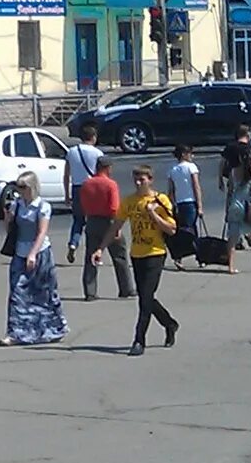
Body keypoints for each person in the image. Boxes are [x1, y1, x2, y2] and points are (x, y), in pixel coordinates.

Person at [1, 175, 68, 346]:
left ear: (31, 187)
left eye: (23, 187)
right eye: (18, 187)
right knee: (17, 293)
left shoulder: (42, 206)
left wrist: (33, 253)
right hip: (19, 252)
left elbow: (41, 232)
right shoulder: (17, 205)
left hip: (40, 253)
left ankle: (54, 328)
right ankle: (16, 333)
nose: (19, 190)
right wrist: (8, 217)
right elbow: (10, 230)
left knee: (45, 293)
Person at [120, 165, 179, 354]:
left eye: (142, 179)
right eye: (136, 179)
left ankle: (139, 341)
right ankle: (169, 323)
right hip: (137, 254)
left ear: (150, 180)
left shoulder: (160, 200)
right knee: (147, 297)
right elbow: (116, 225)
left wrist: (153, 213)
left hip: (156, 253)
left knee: (144, 299)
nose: (138, 183)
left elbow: (171, 229)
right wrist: (99, 248)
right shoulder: (129, 201)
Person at [75, 158, 131, 300]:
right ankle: (126, 288)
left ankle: (90, 291)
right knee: (119, 256)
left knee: (91, 257)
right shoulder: (110, 184)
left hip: (92, 221)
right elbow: (114, 207)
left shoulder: (86, 184)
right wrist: (116, 227)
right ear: (108, 168)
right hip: (108, 222)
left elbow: (82, 204)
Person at [63, 119, 109, 266]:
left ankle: (73, 243)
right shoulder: (98, 153)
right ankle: (96, 253)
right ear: (93, 137)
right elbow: (103, 175)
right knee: (94, 222)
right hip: (93, 189)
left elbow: (66, 174)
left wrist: (67, 194)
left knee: (78, 220)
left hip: (77, 188)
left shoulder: (72, 152)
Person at [219, 138, 251, 273]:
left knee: (232, 237)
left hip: (235, 204)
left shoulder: (233, 172)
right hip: (248, 206)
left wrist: (227, 208)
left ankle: (231, 266)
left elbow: (230, 191)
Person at [162, 143, 206, 255]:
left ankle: (185, 253)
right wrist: (200, 206)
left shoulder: (172, 169)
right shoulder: (191, 167)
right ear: (183, 154)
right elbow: (196, 186)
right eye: (190, 153)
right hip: (190, 202)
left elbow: (171, 191)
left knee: (183, 229)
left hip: (179, 204)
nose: (192, 156)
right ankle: (196, 253)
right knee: (191, 229)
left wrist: (171, 205)